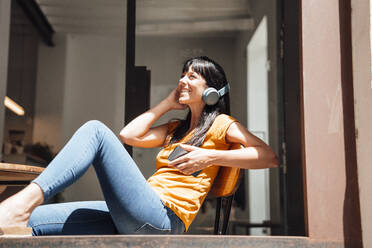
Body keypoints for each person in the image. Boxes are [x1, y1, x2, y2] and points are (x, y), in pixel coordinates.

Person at [0, 56, 278, 235]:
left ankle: (23, 201)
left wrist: (209, 156)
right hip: (140, 212)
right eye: (183, 74)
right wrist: (169, 103)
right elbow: (129, 135)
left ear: (212, 90)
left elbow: (268, 157)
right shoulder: (175, 129)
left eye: (192, 76)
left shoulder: (222, 124)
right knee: (32, 221)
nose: (183, 79)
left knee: (95, 131)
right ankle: (24, 208)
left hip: (163, 219)